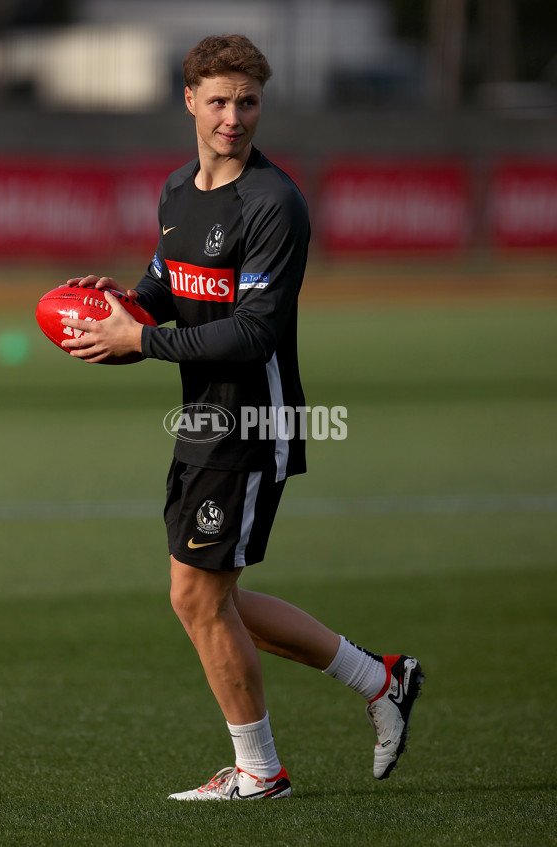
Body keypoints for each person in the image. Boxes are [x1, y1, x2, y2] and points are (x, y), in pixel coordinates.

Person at [62, 33, 423, 801]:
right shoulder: (174, 193)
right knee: (211, 599)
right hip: (203, 419)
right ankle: (381, 678)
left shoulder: (274, 204)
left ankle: (260, 770)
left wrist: (144, 337)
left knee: (197, 598)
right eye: (219, 100)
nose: (233, 117)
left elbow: (254, 329)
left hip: (252, 422)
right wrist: (120, 307)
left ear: (262, 104)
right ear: (189, 100)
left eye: (248, 101)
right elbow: (164, 293)